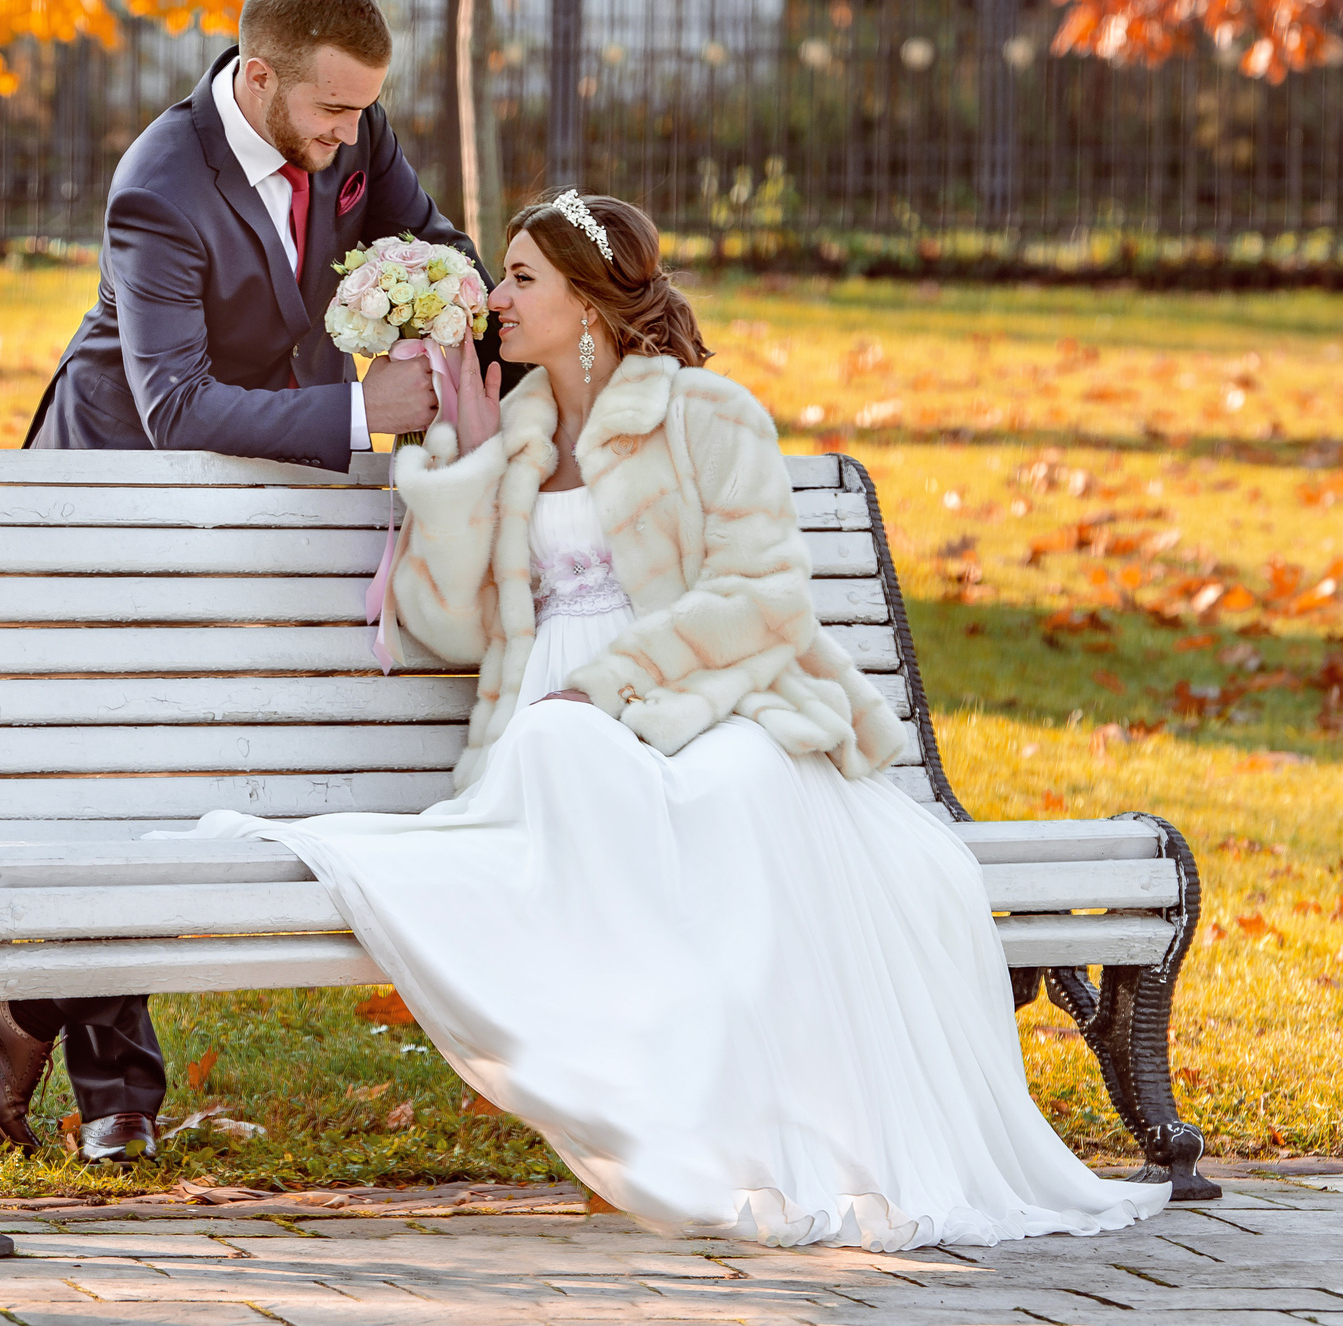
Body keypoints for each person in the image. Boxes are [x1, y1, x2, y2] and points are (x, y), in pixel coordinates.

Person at [165, 191, 1172, 1247]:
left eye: (520, 277)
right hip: (554, 723)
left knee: (735, 784)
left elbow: (764, 599)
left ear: (589, 303)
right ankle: (674, 1119)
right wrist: (454, 466)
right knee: (558, 750)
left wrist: (612, 684)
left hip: (707, 698)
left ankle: (765, 1131)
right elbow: (446, 626)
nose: (495, 296)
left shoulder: (706, 413)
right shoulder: (514, 429)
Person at [0, 0, 492, 1165]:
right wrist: (367, 416)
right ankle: (118, 1086)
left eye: (361, 111)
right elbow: (171, 405)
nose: (347, 134)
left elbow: (436, 241)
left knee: (185, 760)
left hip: (245, 494)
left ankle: (20, 1010)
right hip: (112, 488)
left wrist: (448, 290)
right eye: (328, 110)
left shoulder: (354, 133)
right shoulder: (159, 185)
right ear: (258, 76)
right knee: (118, 766)